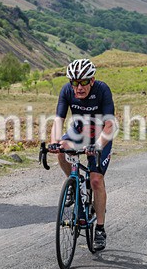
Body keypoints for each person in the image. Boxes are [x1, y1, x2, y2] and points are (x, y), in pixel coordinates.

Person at [49, 59, 115, 251]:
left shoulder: (102, 90)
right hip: (78, 133)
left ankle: (100, 229)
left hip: (101, 136)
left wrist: (97, 145)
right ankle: (73, 182)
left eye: (83, 82)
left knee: (95, 180)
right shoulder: (67, 91)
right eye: (74, 82)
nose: (78, 87)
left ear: (92, 80)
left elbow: (110, 125)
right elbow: (59, 119)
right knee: (61, 150)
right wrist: (54, 142)